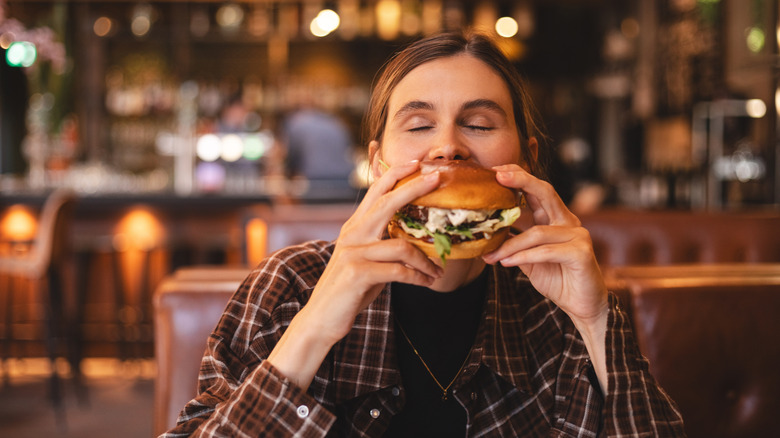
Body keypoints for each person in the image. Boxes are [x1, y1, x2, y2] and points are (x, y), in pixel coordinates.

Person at [162, 31, 685, 437]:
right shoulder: (292, 284)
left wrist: (595, 321)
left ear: (523, 160)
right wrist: (317, 324)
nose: (447, 147)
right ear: (378, 165)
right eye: (418, 126)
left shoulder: (557, 310)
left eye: (478, 124)